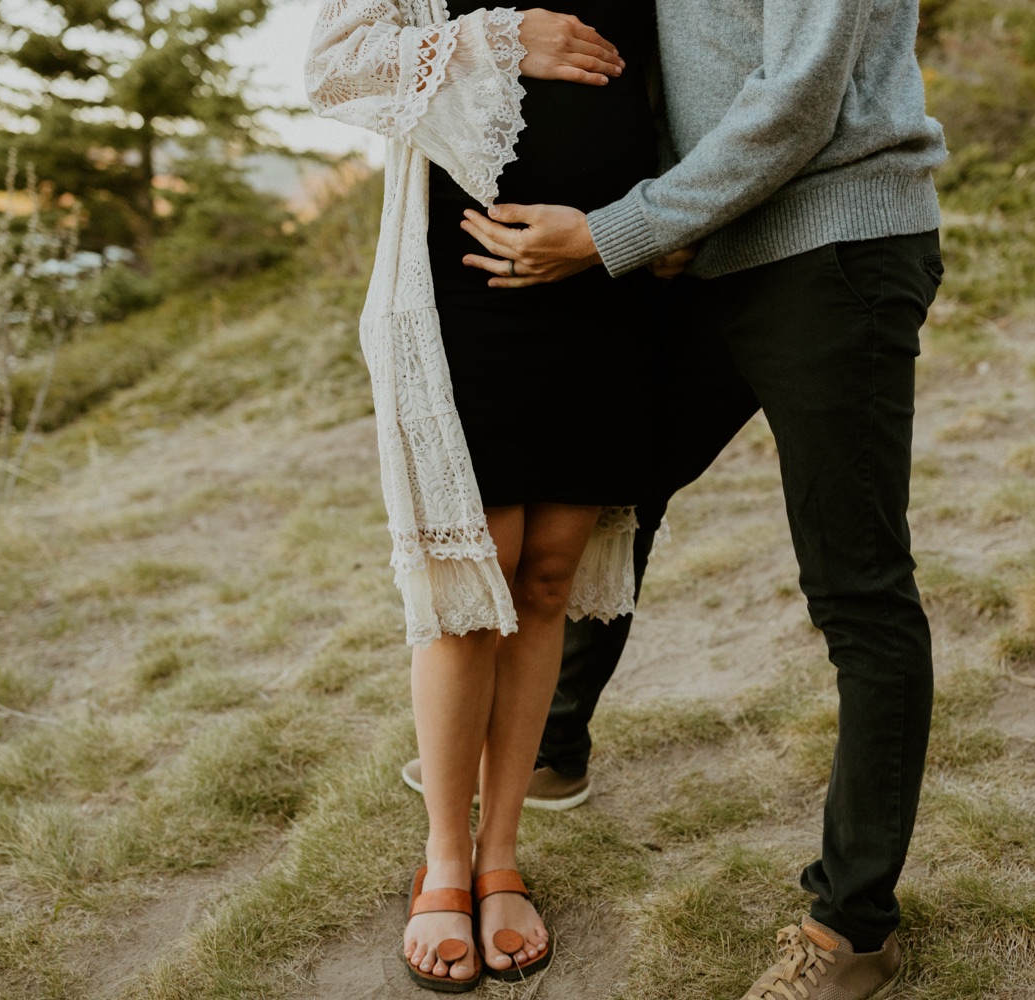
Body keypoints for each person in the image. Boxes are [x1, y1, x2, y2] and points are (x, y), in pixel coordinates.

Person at [451, 1, 949, 997]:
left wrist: (617, 231)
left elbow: (799, 101)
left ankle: (852, 928)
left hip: (831, 247)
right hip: (714, 250)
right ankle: (551, 745)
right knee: (610, 488)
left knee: (856, 587)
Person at [306, 0, 665, 991]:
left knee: (548, 576)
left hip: (603, 281)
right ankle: (446, 859)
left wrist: (659, 221)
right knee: (470, 587)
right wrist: (501, 38)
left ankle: (501, 852)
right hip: (464, 283)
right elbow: (333, 69)